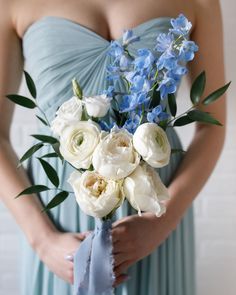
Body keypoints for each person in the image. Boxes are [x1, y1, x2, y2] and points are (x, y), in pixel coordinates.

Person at [0, 0, 226, 294]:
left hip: (156, 212)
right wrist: (42, 240)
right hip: (57, 220)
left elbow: (211, 126)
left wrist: (162, 222)